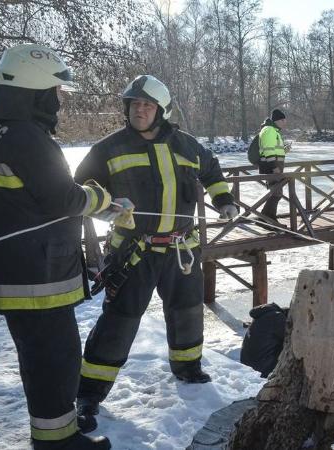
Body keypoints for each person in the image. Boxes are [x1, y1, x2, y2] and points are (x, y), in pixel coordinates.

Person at [73, 75, 239, 431]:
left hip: (182, 249)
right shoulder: (109, 148)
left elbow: (212, 171)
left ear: (161, 110)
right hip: (134, 251)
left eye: (147, 105)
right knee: (119, 321)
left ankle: (188, 368)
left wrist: (224, 200)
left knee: (187, 312)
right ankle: (89, 393)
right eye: (135, 104)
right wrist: (106, 208)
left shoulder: (187, 145)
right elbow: (82, 187)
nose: (140, 110)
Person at [0, 44, 112, 449]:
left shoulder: (2, 128)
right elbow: (64, 199)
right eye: (55, 92)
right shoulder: (27, 138)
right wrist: (103, 200)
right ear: (35, 91)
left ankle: (55, 434)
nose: (59, 102)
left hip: (21, 273)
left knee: (43, 361)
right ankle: (57, 442)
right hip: (36, 279)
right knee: (55, 361)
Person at [258, 109, 291, 225]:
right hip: (271, 168)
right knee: (276, 193)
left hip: (274, 166)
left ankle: (267, 219)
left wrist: (284, 150)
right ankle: (266, 219)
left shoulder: (273, 131)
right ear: (277, 120)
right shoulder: (269, 130)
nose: (285, 122)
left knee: (276, 192)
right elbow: (268, 151)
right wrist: (274, 168)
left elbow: (273, 149)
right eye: (283, 120)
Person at [240, 303, 289, 378]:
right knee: (288, 346)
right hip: (260, 367)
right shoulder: (278, 317)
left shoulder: (263, 315)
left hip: (245, 363)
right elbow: (289, 338)